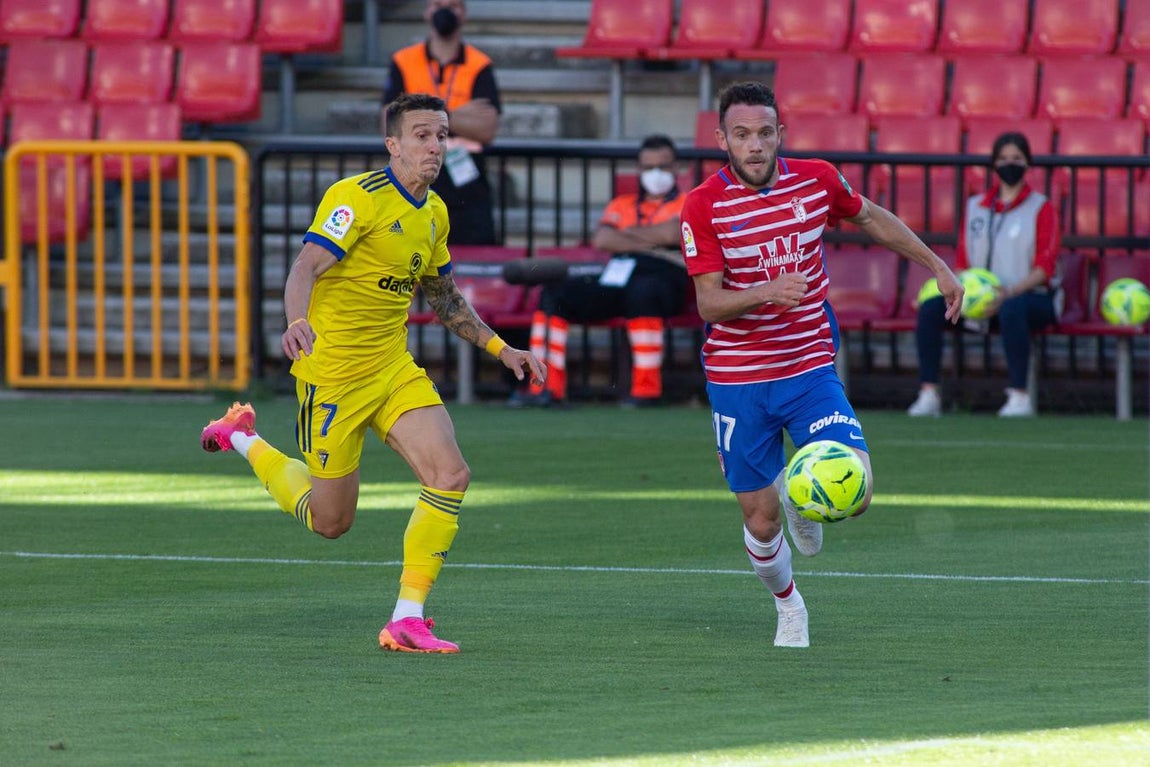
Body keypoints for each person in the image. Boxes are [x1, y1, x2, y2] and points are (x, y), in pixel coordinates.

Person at [199, 94, 545, 655]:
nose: (434, 146)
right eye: (422, 136)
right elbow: (305, 266)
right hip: (331, 376)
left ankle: (407, 617)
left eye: (442, 136)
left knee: (450, 474)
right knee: (330, 521)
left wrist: (502, 349)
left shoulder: (434, 213)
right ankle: (242, 436)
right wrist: (295, 319)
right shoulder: (354, 199)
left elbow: (444, 297)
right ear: (393, 145)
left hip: (391, 368)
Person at [680, 81, 963, 648]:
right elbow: (708, 303)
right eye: (741, 135)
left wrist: (936, 264)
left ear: (780, 134)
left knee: (857, 492)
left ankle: (800, 495)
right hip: (738, 379)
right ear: (722, 140)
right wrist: (767, 291)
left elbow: (871, 217)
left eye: (764, 133)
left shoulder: (817, 179)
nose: (754, 145)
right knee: (760, 523)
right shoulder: (703, 205)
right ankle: (789, 606)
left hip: (808, 365)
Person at [517, 134, 689, 407]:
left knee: (644, 292)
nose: (656, 173)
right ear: (639, 170)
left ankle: (646, 391)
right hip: (618, 275)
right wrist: (654, 238)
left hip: (665, 276)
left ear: (677, 168)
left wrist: (629, 234)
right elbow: (603, 239)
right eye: (648, 167)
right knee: (556, 293)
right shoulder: (622, 203)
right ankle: (546, 387)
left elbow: (674, 232)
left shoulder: (689, 201)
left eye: (664, 166)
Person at [907, 132, 1061, 419]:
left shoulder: (1042, 207)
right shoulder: (974, 207)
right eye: (1003, 159)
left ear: (1028, 164)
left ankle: (1019, 396)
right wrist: (963, 295)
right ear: (993, 165)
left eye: (1016, 158)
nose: (1009, 164)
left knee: (1013, 309)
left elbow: (1045, 269)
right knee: (930, 310)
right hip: (980, 299)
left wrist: (1008, 292)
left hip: (1031, 299)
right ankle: (928, 393)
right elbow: (963, 262)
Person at [381, 0, 501, 245]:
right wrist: (459, 116)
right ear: (427, 12)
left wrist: (422, 120)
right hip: (413, 175)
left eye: (454, 5)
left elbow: (487, 127)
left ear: (464, 14)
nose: (445, 11)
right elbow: (390, 123)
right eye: (438, 4)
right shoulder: (404, 61)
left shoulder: (480, 64)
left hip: (467, 181)